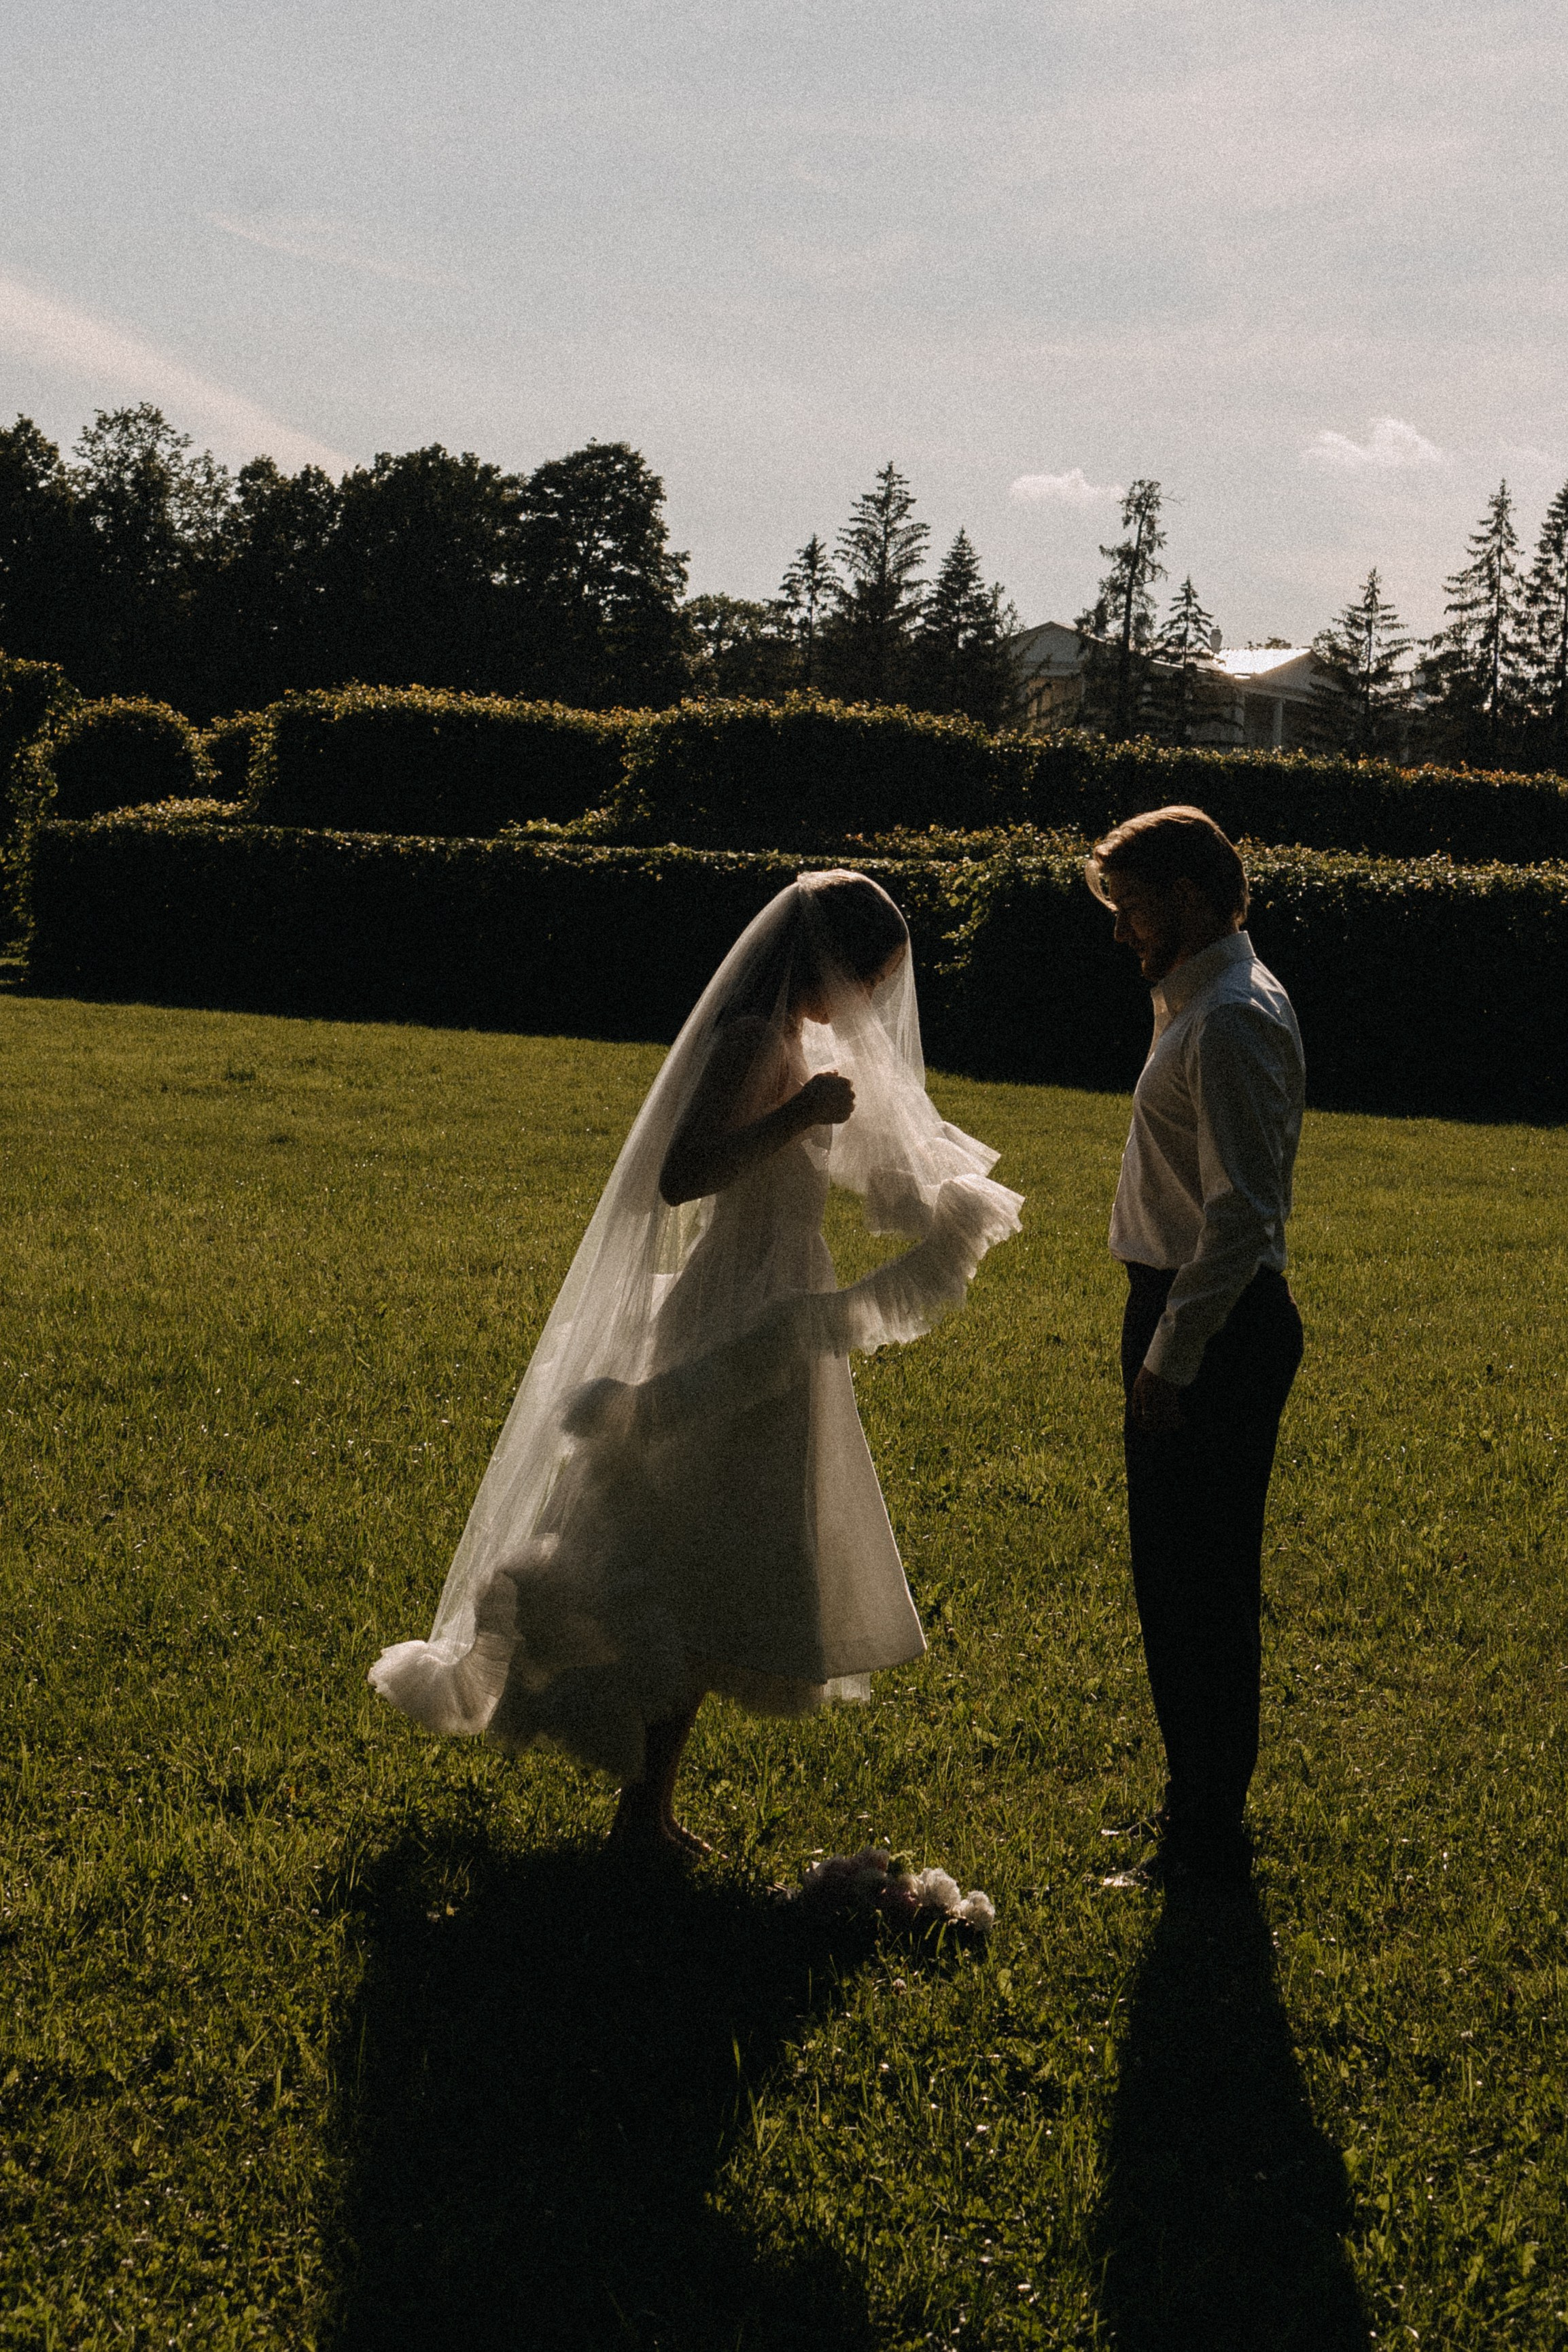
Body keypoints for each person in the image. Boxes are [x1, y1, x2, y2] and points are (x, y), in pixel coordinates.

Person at [370, 871, 1022, 1853]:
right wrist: (799, 1117)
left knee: (718, 1549)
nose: (866, 1004)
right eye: (863, 979)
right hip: (736, 1307)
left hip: (778, 1297)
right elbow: (682, 1174)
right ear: (821, 962)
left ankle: (648, 1810)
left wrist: (914, 1181)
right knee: (686, 1548)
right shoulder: (756, 1040)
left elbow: (852, 1159)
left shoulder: (796, 1043)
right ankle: (641, 1813)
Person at [1086, 807, 1305, 1890]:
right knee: (1175, 1583)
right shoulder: (1199, 1001)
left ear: (1185, 896)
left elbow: (1243, 1217)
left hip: (1210, 1325)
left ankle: (1208, 1837)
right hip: (1184, 1312)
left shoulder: (1230, 1019)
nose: (1120, 929)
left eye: (1132, 907)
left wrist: (1170, 1358)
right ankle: (1194, 1805)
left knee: (1201, 1588)